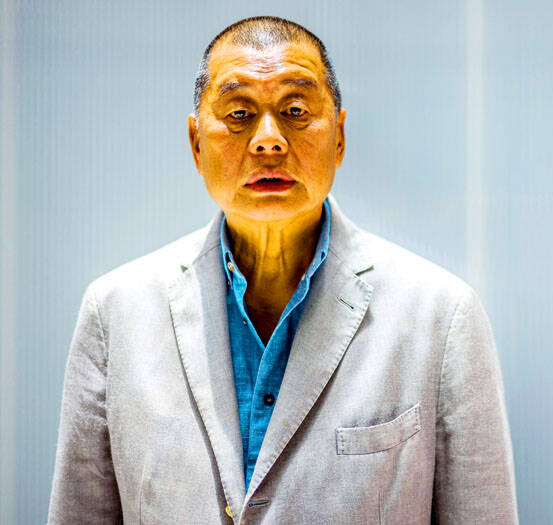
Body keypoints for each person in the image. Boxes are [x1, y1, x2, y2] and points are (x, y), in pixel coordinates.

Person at [48, 16, 517, 524]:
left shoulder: (440, 317)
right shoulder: (115, 313)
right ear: (196, 143)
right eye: (239, 113)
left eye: (296, 111)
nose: (268, 140)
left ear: (339, 136)